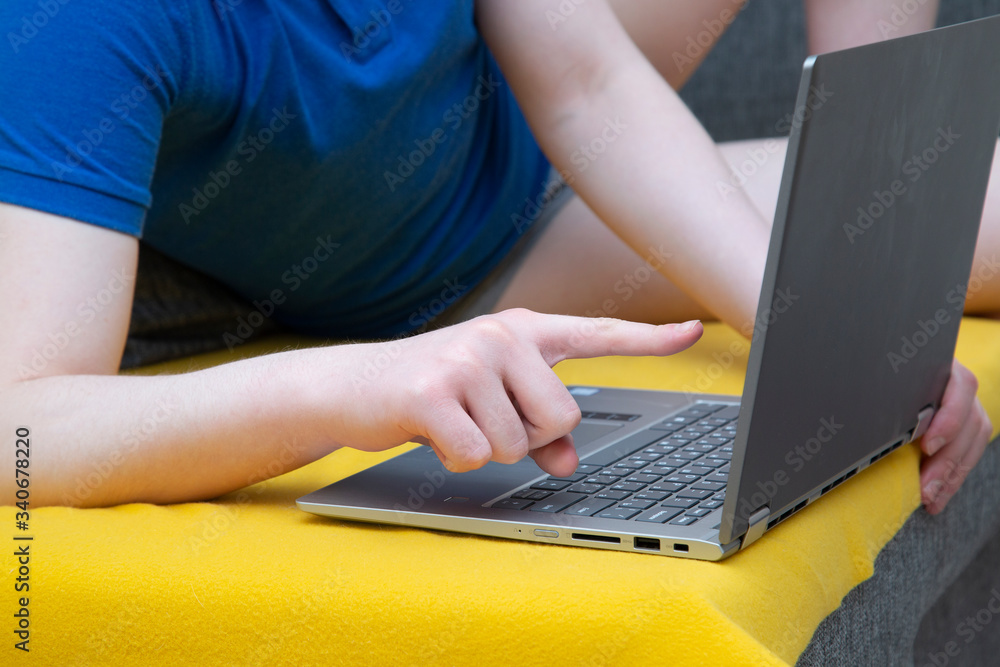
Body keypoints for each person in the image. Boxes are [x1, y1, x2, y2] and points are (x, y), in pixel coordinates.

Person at [0, 0, 992, 512]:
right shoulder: (77, 26)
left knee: (934, 226)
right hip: (465, 268)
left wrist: (824, 321)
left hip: (539, 135)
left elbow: (589, 88)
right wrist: (351, 384)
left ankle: (868, 157)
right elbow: (21, 428)